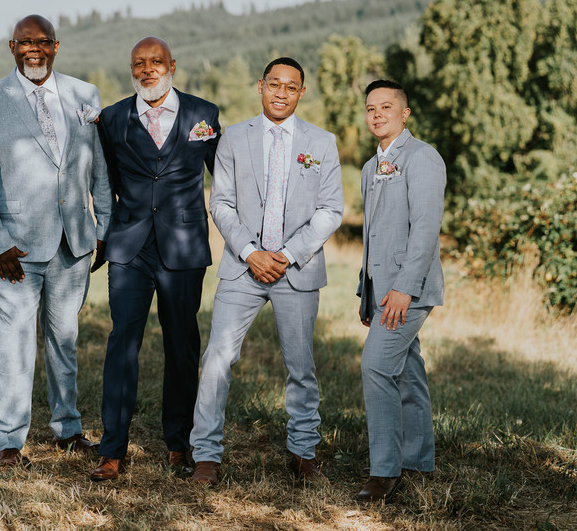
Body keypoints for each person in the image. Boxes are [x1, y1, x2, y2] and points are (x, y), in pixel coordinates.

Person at [0, 14, 112, 467]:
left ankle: (68, 429)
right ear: (12, 47)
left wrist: (103, 228)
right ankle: (6, 441)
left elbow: (98, 167)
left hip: (74, 243)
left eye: (43, 42)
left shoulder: (85, 95)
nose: (34, 49)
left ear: (56, 46)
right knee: (15, 341)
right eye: (25, 42)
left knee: (64, 339)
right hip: (15, 250)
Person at [188, 58, 343, 486]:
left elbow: (331, 210)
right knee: (217, 357)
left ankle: (303, 453)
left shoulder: (321, 142)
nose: (281, 93)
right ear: (261, 86)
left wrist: (288, 254)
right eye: (274, 84)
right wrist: (251, 252)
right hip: (243, 269)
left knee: (301, 365)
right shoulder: (234, 138)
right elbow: (221, 203)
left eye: (291, 87)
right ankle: (206, 455)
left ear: (301, 93)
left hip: (298, 270)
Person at [89, 37, 220, 482]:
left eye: (156, 62)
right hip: (130, 247)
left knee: (182, 344)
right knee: (122, 343)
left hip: (184, 246)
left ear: (172, 65)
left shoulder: (204, 114)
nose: (147, 70)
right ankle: (112, 449)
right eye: (138, 64)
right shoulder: (111, 118)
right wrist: (104, 232)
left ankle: (179, 443)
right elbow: (104, 181)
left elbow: (225, 179)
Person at [355, 79, 444, 503]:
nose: (377, 115)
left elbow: (425, 229)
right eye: (370, 108)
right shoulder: (369, 168)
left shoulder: (422, 157)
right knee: (407, 370)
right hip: (381, 291)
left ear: (404, 113)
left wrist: (404, 289)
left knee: (375, 366)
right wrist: (367, 292)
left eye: (386, 107)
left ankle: (384, 471)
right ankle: (419, 461)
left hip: (410, 289)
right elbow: (372, 236)